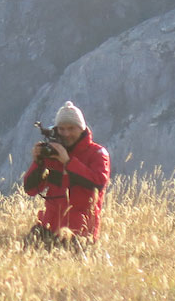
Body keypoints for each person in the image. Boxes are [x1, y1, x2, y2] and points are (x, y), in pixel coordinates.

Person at [23, 101, 110, 248]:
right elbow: (30, 189)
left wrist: (68, 162)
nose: (66, 134)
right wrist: (38, 162)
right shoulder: (53, 152)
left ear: (81, 129)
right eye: (62, 129)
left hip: (80, 234)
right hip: (48, 228)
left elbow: (98, 183)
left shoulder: (97, 153)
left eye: (71, 128)